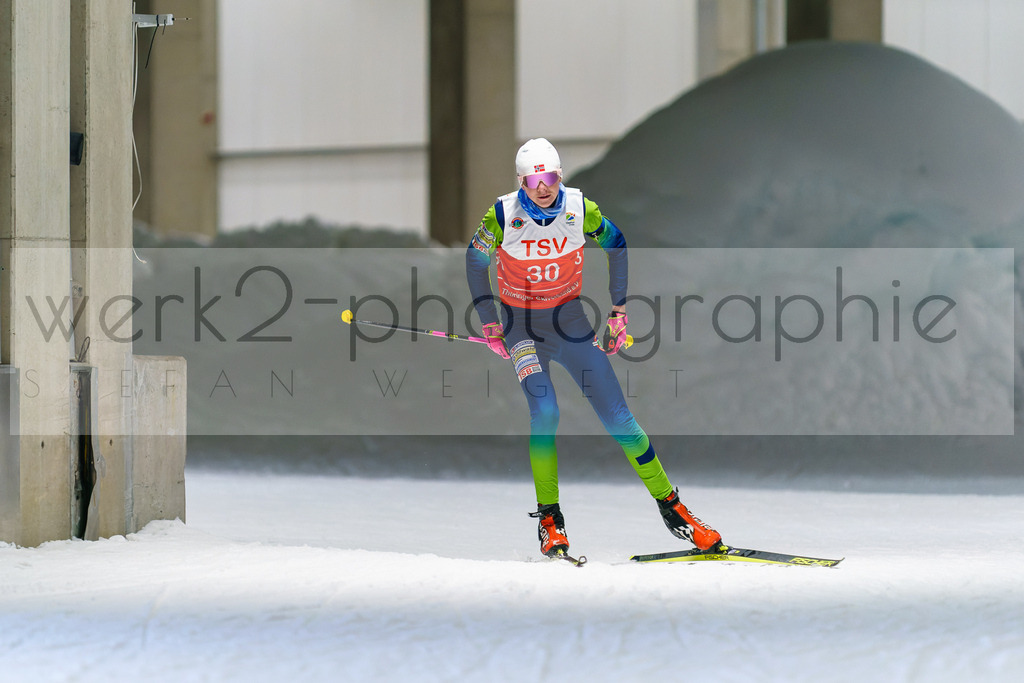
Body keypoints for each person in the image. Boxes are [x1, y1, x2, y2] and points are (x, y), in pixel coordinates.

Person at [465, 137, 723, 559]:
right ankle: (550, 521)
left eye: (548, 176)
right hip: (521, 330)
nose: (542, 186)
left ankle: (676, 511)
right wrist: (490, 321)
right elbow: (475, 262)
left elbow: (617, 245)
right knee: (545, 412)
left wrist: (618, 311)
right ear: (521, 182)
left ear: (560, 175)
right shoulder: (500, 215)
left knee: (620, 419)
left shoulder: (580, 210)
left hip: (569, 324)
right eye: (533, 180)